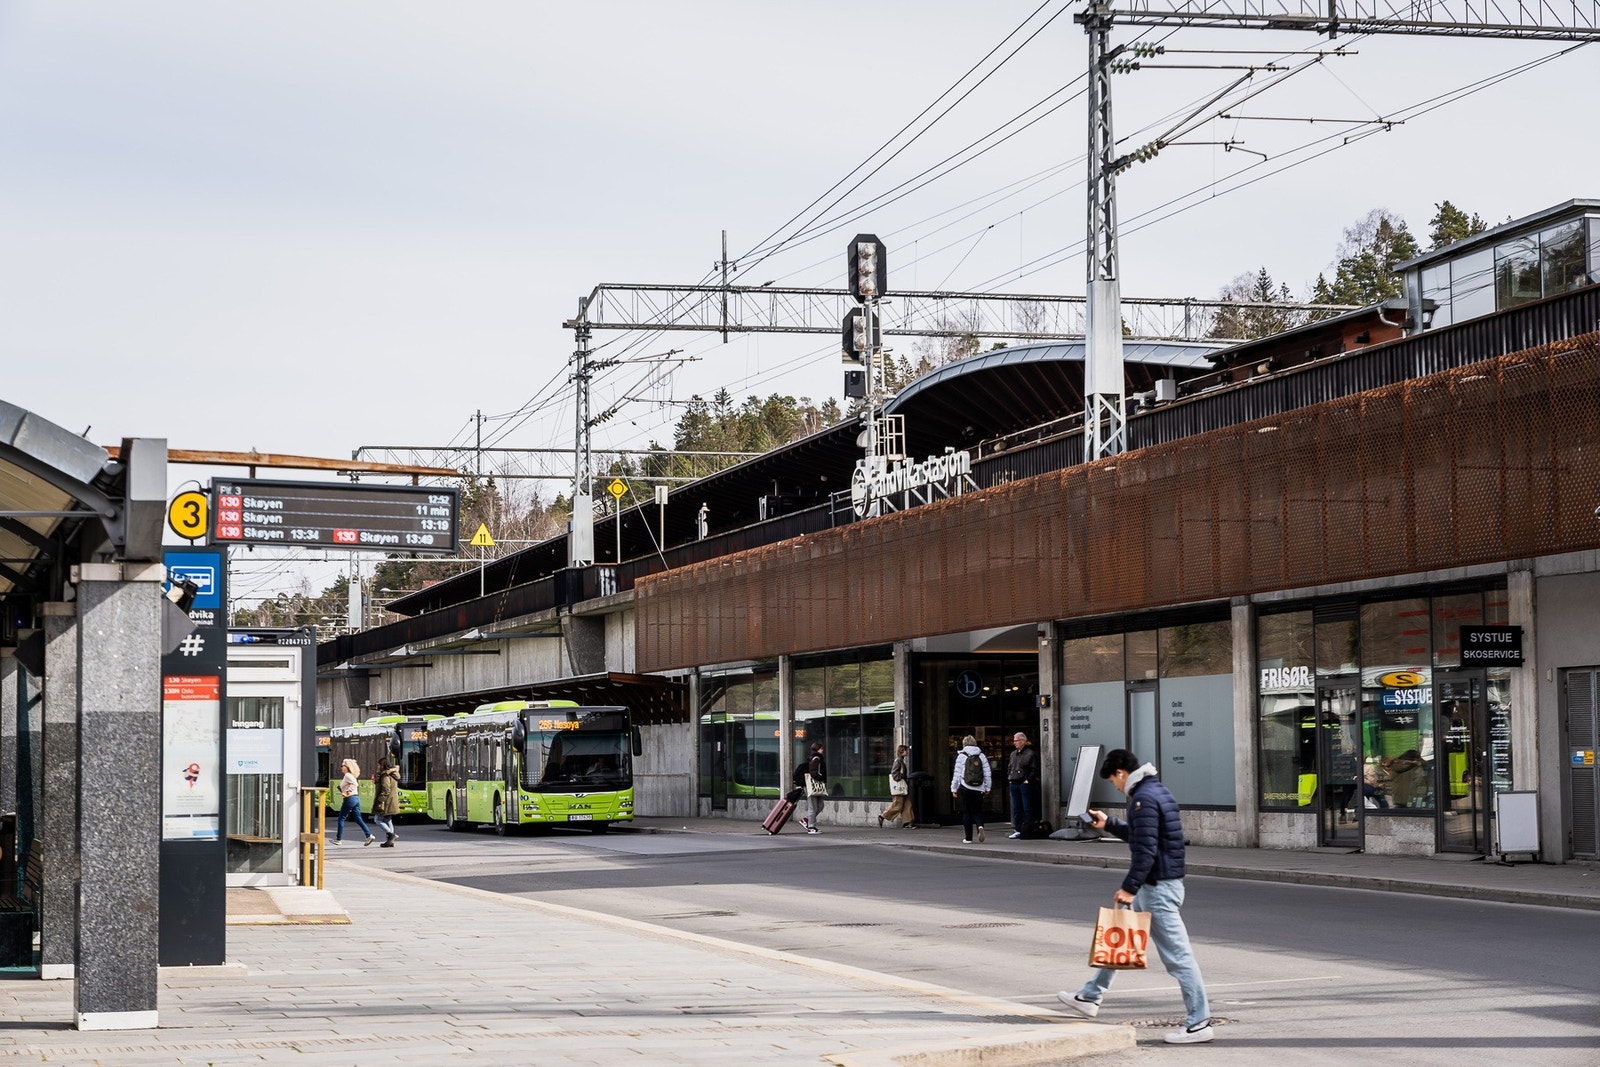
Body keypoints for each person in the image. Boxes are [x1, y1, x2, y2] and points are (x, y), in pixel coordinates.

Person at [1059, 748, 1212, 1045]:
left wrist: (1129, 886)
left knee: (1179, 958)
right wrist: (1110, 824)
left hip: (1157, 887)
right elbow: (1146, 837)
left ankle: (1199, 1022)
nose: (1115, 787)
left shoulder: (1142, 800)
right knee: (1120, 938)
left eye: (1113, 781)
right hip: (1157, 884)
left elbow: (1145, 851)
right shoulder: (1157, 791)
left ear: (1121, 773)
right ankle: (1090, 996)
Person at [950, 735, 990, 844]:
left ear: (964, 744)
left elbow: (957, 774)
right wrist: (988, 788)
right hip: (979, 788)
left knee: (967, 812)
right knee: (977, 811)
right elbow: (987, 774)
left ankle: (968, 838)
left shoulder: (962, 756)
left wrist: (954, 788)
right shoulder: (981, 756)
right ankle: (980, 826)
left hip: (965, 787)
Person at [335, 757, 375, 846]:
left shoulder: (347, 775)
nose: (341, 767)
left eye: (343, 765)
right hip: (356, 798)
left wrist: (347, 792)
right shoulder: (350, 776)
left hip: (350, 799)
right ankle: (369, 835)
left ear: (347, 767)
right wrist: (343, 790)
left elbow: (355, 784)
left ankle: (338, 839)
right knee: (358, 818)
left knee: (341, 818)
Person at [1006, 732, 1038, 839]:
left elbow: (1034, 769)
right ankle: (1017, 829)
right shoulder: (1013, 754)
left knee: (1026, 807)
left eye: (1016, 740)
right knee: (1016, 808)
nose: (1014, 743)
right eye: (1014, 740)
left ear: (1023, 741)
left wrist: (1028, 780)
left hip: (1024, 783)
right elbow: (1010, 767)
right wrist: (1010, 778)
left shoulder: (1030, 754)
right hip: (1014, 782)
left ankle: (1029, 829)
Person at [878, 744, 915, 828]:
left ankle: (907, 822)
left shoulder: (900, 760)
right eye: (906, 750)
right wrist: (901, 776)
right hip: (899, 788)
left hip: (902, 788)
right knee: (897, 805)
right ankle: (883, 816)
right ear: (902, 751)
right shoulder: (898, 761)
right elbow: (894, 773)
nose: (907, 752)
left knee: (907, 805)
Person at [372, 755, 401, 847]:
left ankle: (391, 835)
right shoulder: (393, 774)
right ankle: (390, 841)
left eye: (378, 765)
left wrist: (380, 800)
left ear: (382, 765)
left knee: (377, 819)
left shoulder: (385, 775)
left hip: (386, 802)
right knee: (388, 820)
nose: (377, 767)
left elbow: (386, 789)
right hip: (392, 800)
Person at [799, 742, 827, 835]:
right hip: (812, 786)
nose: (823, 750)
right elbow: (814, 773)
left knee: (820, 805)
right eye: (821, 748)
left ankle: (806, 820)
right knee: (813, 807)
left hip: (816, 786)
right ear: (817, 749)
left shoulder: (816, 758)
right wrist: (821, 777)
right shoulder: (816, 759)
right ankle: (811, 827)